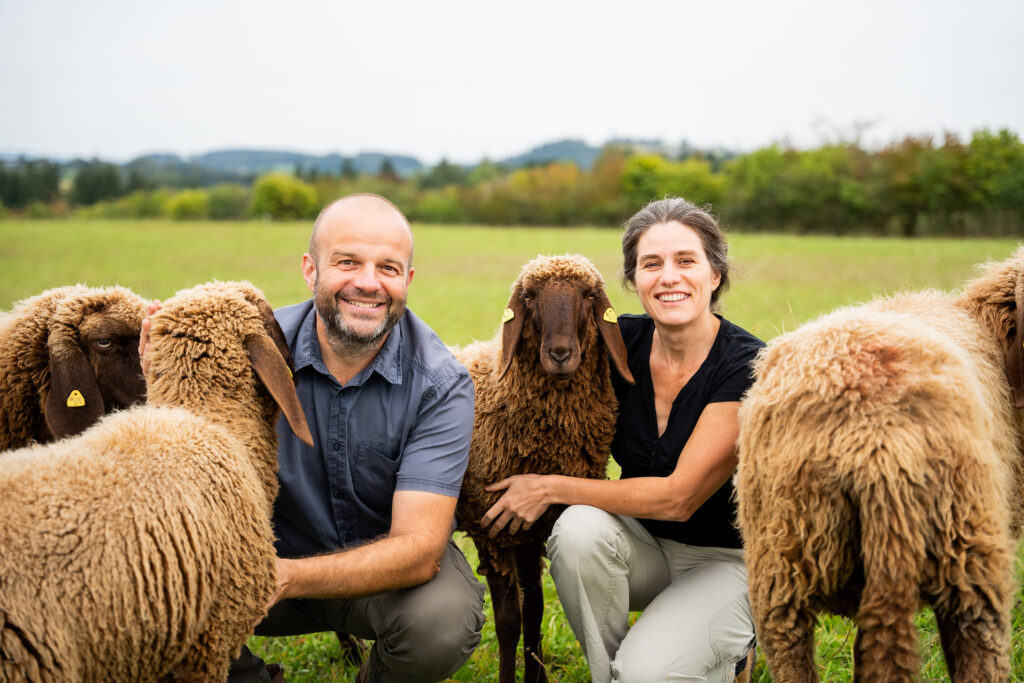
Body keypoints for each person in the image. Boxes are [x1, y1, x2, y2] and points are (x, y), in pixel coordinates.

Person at [143, 193, 485, 682]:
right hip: (257, 564)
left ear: (407, 281)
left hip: (375, 579)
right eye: (348, 262)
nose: (368, 283)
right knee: (151, 586)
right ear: (311, 270)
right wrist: (160, 388)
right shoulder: (244, 350)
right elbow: (179, 484)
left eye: (387, 268)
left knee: (443, 619)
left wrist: (288, 578)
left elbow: (419, 547)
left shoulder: (441, 382)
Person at [481, 197, 763, 682]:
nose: (669, 276)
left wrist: (548, 487)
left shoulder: (746, 365)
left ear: (715, 275)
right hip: (640, 547)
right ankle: (613, 670)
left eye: (686, 261)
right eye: (651, 264)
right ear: (634, 281)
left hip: (727, 562)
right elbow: (531, 355)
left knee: (647, 672)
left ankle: (725, 651)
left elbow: (680, 498)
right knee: (576, 532)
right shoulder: (615, 345)